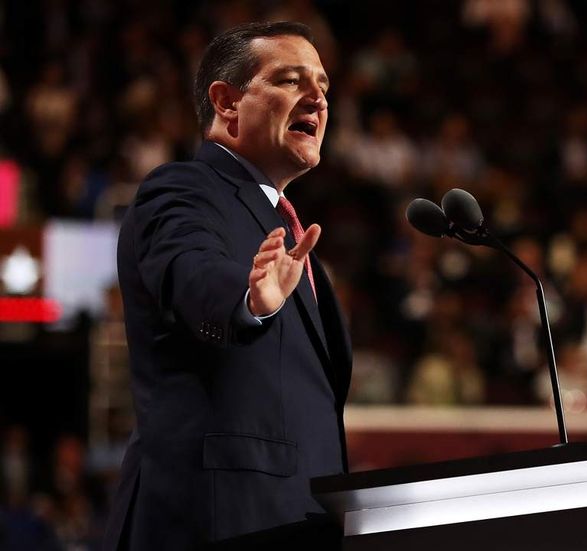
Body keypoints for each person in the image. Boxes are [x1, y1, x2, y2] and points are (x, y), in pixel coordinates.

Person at [103, 22, 351, 550]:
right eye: (291, 80)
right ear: (227, 101)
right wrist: (246, 301)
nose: (318, 98)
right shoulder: (183, 189)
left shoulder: (287, 231)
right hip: (219, 518)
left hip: (295, 518)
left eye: (323, 85)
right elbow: (191, 270)